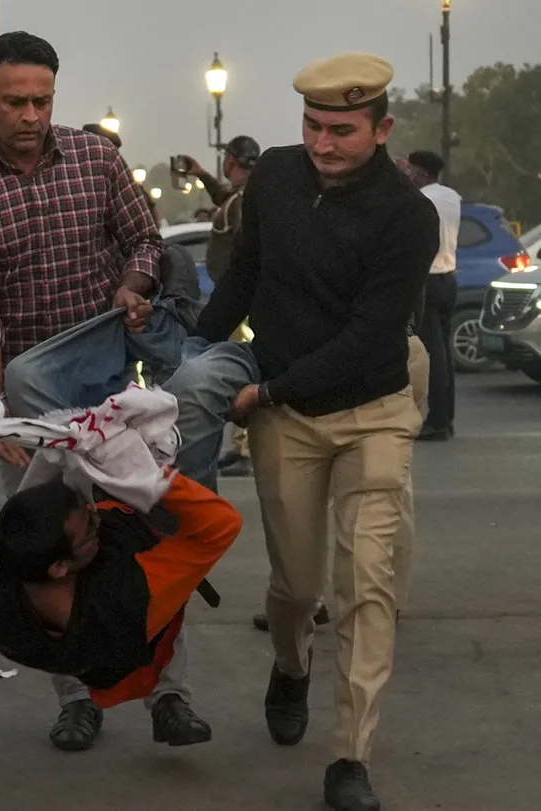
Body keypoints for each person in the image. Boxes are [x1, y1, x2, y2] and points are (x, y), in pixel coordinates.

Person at [159, 53, 439, 811]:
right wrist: (199, 352)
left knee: (365, 586)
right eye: (313, 126)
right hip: (288, 417)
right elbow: (245, 274)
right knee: (296, 587)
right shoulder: (276, 176)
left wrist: (265, 388)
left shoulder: (409, 216)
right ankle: (291, 663)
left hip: (371, 411)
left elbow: (369, 335)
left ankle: (351, 756)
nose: (323, 143)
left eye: (343, 130)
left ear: (382, 130)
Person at [0, 29, 204, 756]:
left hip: (108, 386)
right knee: (47, 547)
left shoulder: (96, 159)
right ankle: (76, 697)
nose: (30, 114)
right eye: (14, 101)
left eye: (42, 100)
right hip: (25, 394)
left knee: (141, 535)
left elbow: (148, 242)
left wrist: (133, 285)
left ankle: (170, 695)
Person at [0, 394, 240, 718]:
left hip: (77, 634)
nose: (96, 515)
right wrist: (145, 475)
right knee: (196, 393)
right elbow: (220, 525)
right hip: (136, 611)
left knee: (29, 380)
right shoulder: (132, 595)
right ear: (59, 567)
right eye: (90, 528)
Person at [178, 136, 262, 478]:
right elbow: (224, 199)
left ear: (231, 160)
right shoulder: (240, 196)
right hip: (233, 298)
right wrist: (201, 175)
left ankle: (243, 447)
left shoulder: (246, 200)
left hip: (238, 300)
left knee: (234, 372)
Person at [404, 149, 460, 442]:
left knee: (431, 354)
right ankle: (445, 417)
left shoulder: (424, 200)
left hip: (429, 279)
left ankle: (436, 421)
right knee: (445, 356)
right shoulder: (451, 197)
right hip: (449, 278)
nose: (408, 175)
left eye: (411, 170)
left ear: (422, 173)